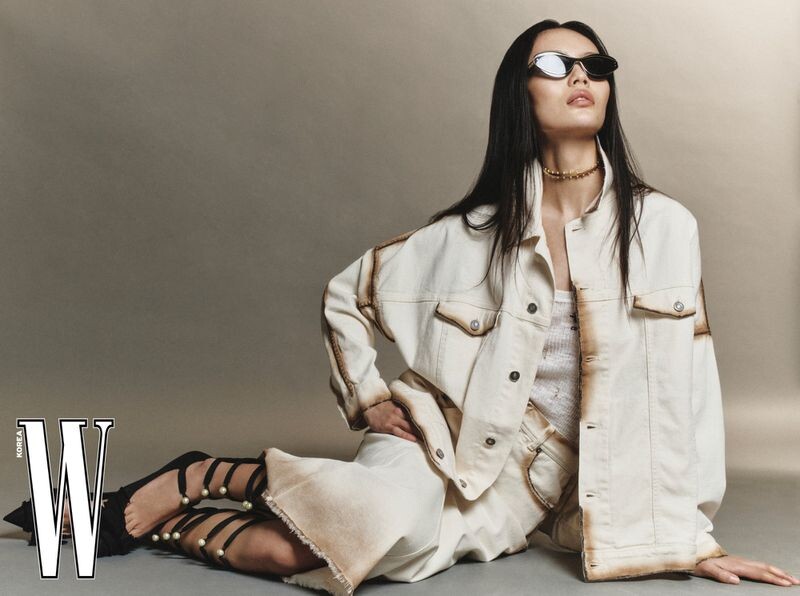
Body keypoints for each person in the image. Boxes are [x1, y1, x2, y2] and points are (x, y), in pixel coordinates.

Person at [5, 18, 798, 595]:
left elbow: (688, 393)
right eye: (554, 64)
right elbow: (346, 297)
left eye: (595, 63)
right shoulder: (470, 235)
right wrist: (368, 397)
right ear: (519, 93)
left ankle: (166, 511)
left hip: (531, 489)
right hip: (445, 443)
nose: (580, 76)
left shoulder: (665, 229)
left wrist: (690, 538)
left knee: (303, 557)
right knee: (348, 526)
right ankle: (198, 476)